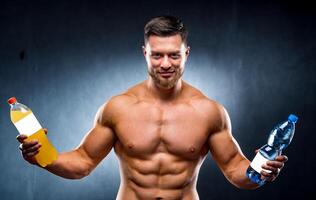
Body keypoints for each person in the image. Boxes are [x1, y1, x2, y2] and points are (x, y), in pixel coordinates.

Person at [17, 15, 288, 200]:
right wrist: (42, 157)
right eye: (157, 55)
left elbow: (234, 170)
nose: (166, 64)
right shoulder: (118, 107)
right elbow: (83, 163)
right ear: (145, 53)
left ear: (187, 54)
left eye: (174, 55)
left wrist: (259, 173)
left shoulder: (209, 112)